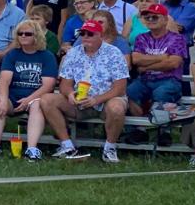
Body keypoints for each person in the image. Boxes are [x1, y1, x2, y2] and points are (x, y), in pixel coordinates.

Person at [40, 18, 129, 163]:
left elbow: (120, 88)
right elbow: (65, 84)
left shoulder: (114, 53)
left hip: (106, 101)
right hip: (80, 101)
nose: (85, 37)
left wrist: (96, 99)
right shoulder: (73, 53)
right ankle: (67, 146)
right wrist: (70, 94)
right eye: (83, 33)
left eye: (90, 34)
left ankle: (110, 148)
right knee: (46, 100)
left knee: (117, 107)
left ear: (100, 35)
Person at [0, 19, 58, 159]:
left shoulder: (47, 56)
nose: (23, 36)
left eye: (28, 34)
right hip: (14, 97)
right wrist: (3, 99)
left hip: (36, 97)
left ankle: (32, 148)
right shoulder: (12, 54)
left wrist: (29, 100)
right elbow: (4, 81)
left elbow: (48, 85)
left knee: (36, 104)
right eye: (20, 33)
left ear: (36, 35)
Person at [125, 1, 190, 146]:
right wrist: (161, 57)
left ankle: (164, 132)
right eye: (147, 18)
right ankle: (140, 129)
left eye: (155, 17)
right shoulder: (142, 38)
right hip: (145, 80)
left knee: (162, 93)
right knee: (129, 92)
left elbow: (173, 63)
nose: (150, 20)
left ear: (165, 19)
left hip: (169, 79)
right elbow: (136, 59)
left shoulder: (177, 38)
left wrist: (146, 66)